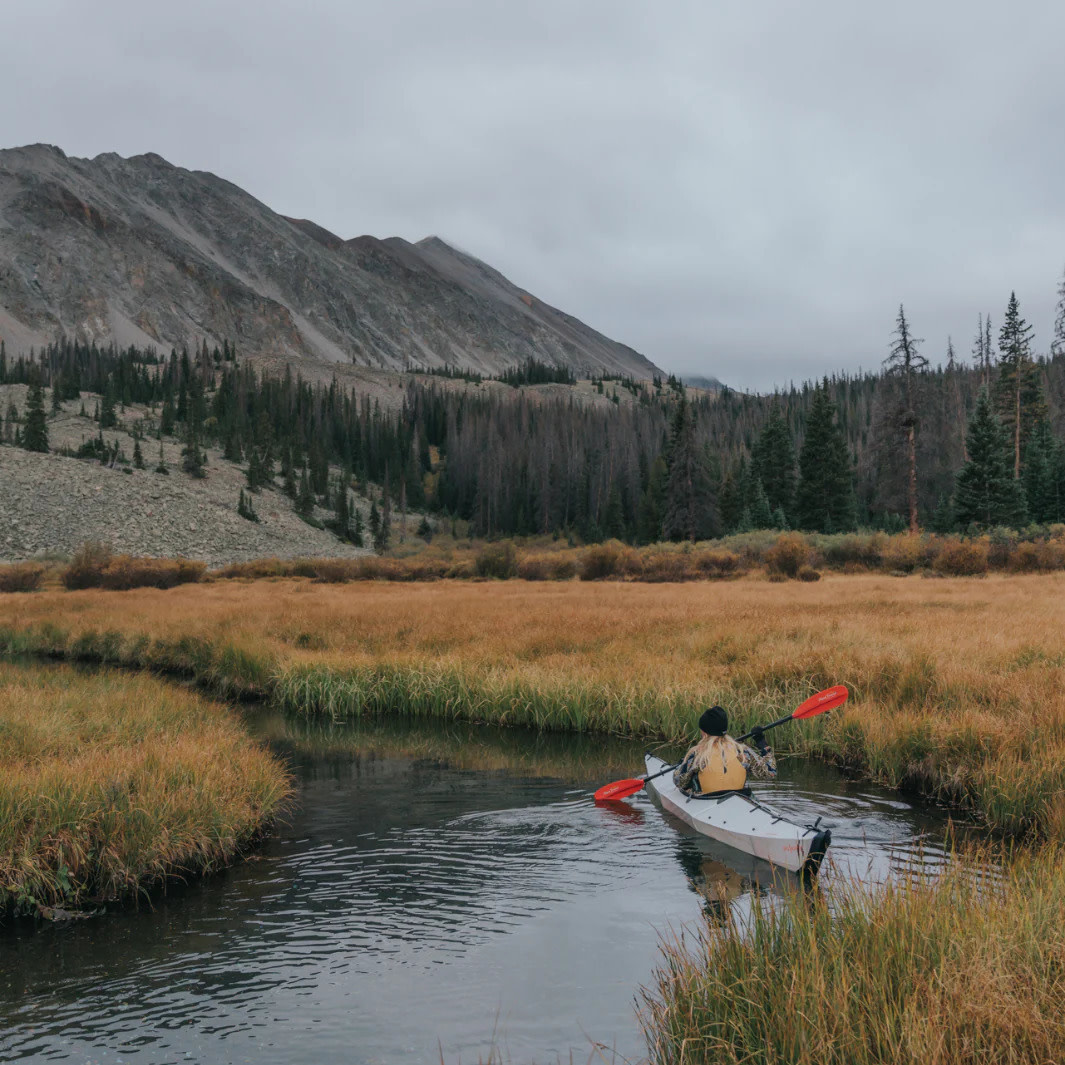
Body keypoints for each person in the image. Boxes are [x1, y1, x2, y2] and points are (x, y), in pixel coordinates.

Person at [673, 705, 776, 796]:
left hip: (706, 800)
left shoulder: (697, 753)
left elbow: (679, 781)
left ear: (704, 732)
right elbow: (770, 772)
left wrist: (681, 764)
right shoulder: (742, 751)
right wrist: (762, 743)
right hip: (738, 798)